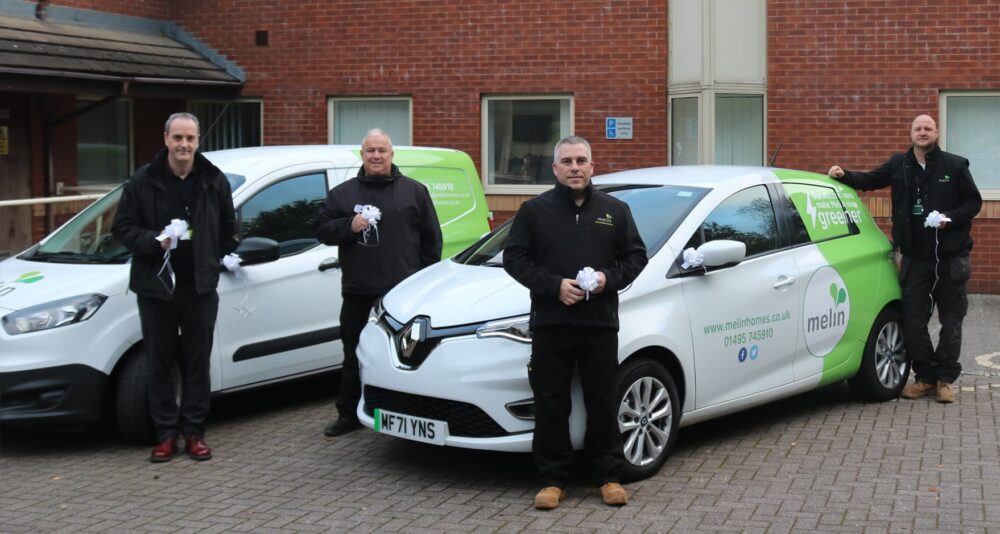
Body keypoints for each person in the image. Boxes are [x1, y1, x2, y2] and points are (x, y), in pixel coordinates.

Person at [503, 135, 648, 509]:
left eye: (581, 160)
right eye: (566, 161)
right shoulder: (534, 211)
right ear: (555, 168)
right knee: (551, 403)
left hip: (599, 324)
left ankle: (608, 476)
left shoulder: (615, 211)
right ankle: (553, 479)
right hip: (551, 324)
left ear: (592, 166)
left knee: (602, 401)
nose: (574, 167)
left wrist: (606, 280)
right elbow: (514, 258)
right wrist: (554, 287)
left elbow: (635, 258)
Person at [828, 114, 982, 404]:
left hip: (950, 257)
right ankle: (924, 377)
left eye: (928, 128)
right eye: (918, 129)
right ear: (911, 133)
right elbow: (870, 179)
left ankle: (945, 380)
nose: (922, 133)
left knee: (951, 321)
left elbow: (973, 202)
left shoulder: (955, 165)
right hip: (915, 258)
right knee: (912, 320)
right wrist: (843, 175)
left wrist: (951, 218)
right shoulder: (899, 164)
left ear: (936, 133)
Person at [112, 112, 238, 462]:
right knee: (161, 362)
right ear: (166, 139)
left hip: (199, 288)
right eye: (178, 138)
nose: (184, 145)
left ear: (198, 141)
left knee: (198, 361)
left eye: (190, 139)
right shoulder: (142, 181)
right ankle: (166, 434)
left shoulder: (214, 180)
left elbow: (229, 227)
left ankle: (194, 432)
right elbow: (122, 228)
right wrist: (154, 242)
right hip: (156, 289)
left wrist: (218, 258)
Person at [315, 128, 442, 436]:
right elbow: (320, 228)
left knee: (408, 356)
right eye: (370, 150)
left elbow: (431, 240)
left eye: (381, 150)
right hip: (358, 291)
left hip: (403, 296)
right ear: (363, 155)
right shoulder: (343, 194)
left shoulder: (414, 191)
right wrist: (349, 225)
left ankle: (408, 414)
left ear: (391, 155)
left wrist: (421, 283)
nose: (376, 156)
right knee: (353, 353)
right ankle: (347, 413)